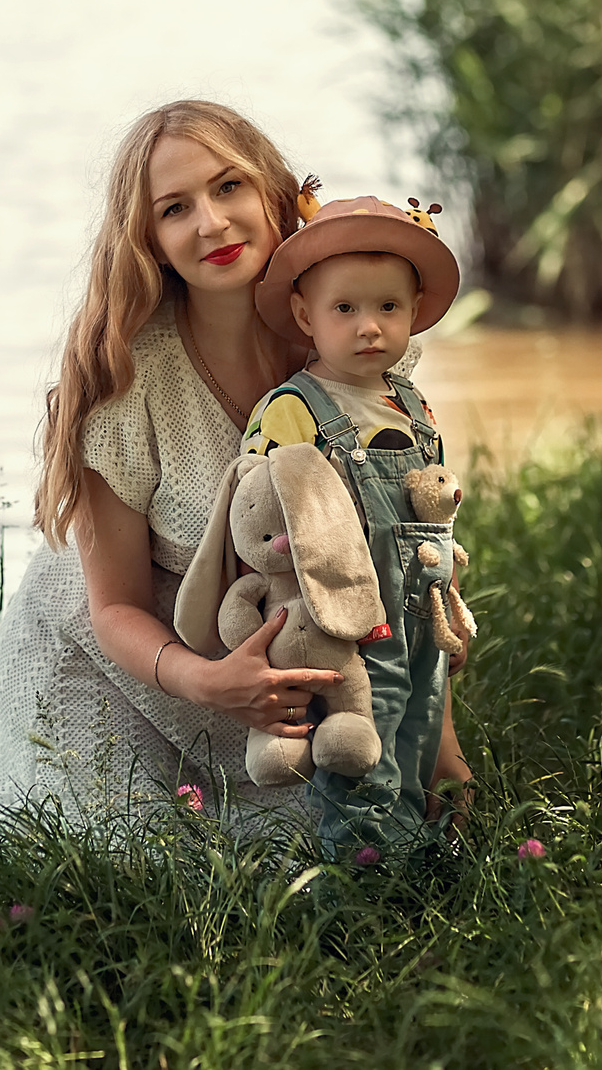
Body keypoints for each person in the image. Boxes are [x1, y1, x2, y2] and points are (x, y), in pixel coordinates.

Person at [0, 100, 383, 835]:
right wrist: (211, 681)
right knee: (107, 867)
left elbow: (404, 526)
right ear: (148, 238)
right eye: (175, 208)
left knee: (365, 855)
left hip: (299, 662)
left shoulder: (354, 332)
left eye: (227, 187)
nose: (210, 223)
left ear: (274, 192)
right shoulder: (125, 379)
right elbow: (112, 606)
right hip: (125, 659)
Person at [222, 194, 478, 856]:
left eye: (388, 307)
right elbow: (260, 520)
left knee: (423, 736)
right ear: (306, 315)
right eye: (346, 309)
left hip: (421, 608)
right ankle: (363, 878)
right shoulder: (293, 409)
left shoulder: (415, 406)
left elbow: (436, 518)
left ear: (415, 310)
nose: (369, 326)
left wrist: (452, 599)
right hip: (347, 620)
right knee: (363, 747)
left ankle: (431, 855)